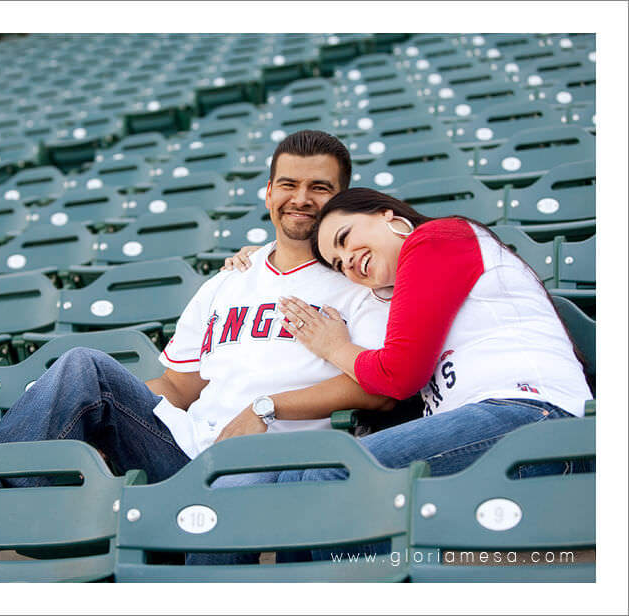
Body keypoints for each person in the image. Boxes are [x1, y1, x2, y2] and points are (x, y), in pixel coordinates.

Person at [0, 131, 392, 497]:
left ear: (343, 198)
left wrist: (267, 406)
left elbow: (380, 388)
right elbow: (179, 387)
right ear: (268, 192)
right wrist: (90, 415)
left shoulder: (357, 283)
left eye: (320, 187)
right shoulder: (225, 283)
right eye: (288, 184)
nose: (301, 199)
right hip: (183, 450)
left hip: (272, 461)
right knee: (83, 368)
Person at [221, 187, 592, 562]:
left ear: (387, 215)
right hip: (499, 427)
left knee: (332, 477)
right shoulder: (406, 286)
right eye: (338, 263)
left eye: (346, 239)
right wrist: (258, 258)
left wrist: (334, 347)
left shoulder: (438, 237)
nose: (348, 262)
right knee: (294, 482)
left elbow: (398, 375)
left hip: (537, 420)